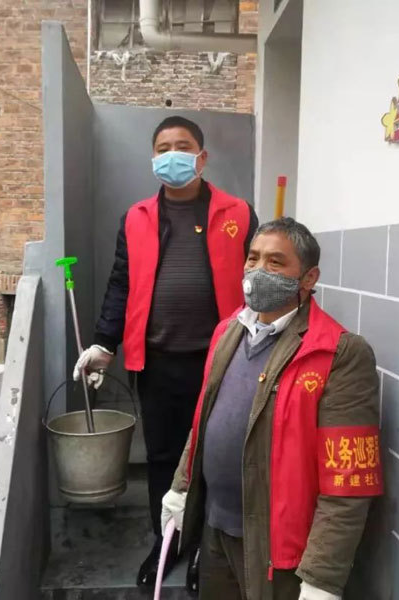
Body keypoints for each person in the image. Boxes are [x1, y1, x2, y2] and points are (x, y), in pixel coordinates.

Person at [73, 115, 258, 588]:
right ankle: (167, 541)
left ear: (202, 156)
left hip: (221, 363)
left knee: (215, 455)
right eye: (163, 147)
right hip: (156, 362)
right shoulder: (136, 218)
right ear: (153, 157)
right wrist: (104, 342)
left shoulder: (238, 213)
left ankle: (205, 548)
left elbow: (255, 282)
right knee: (162, 456)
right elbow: (121, 283)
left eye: (183, 145)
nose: (172, 154)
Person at [161, 217, 383, 600]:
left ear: (309, 278)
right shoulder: (228, 331)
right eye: (253, 258)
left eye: (275, 262)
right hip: (215, 532)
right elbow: (205, 421)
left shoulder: (337, 354)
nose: (258, 270)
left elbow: (347, 481)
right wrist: (182, 487)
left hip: (278, 556)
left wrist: (321, 576)